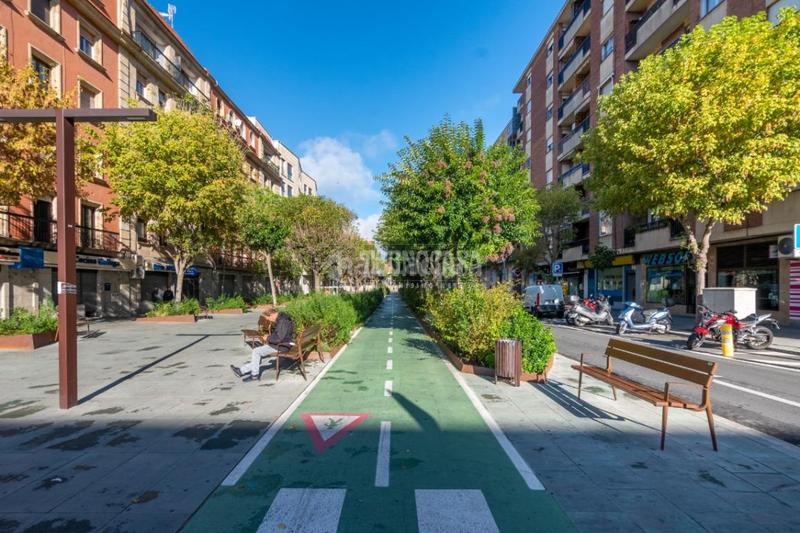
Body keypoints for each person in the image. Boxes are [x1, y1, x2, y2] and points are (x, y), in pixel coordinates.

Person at [231, 310, 295, 382]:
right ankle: (241, 371)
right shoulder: (282, 319)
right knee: (258, 354)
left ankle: (254, 375)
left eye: (268, 318)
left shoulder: (283, 322)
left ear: (271, 315)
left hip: (281, 346)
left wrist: (267, 338)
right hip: (282, 344)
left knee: (256, 351)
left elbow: (279, 338)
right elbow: (280, 335)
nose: (269, 320)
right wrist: (269, 337)